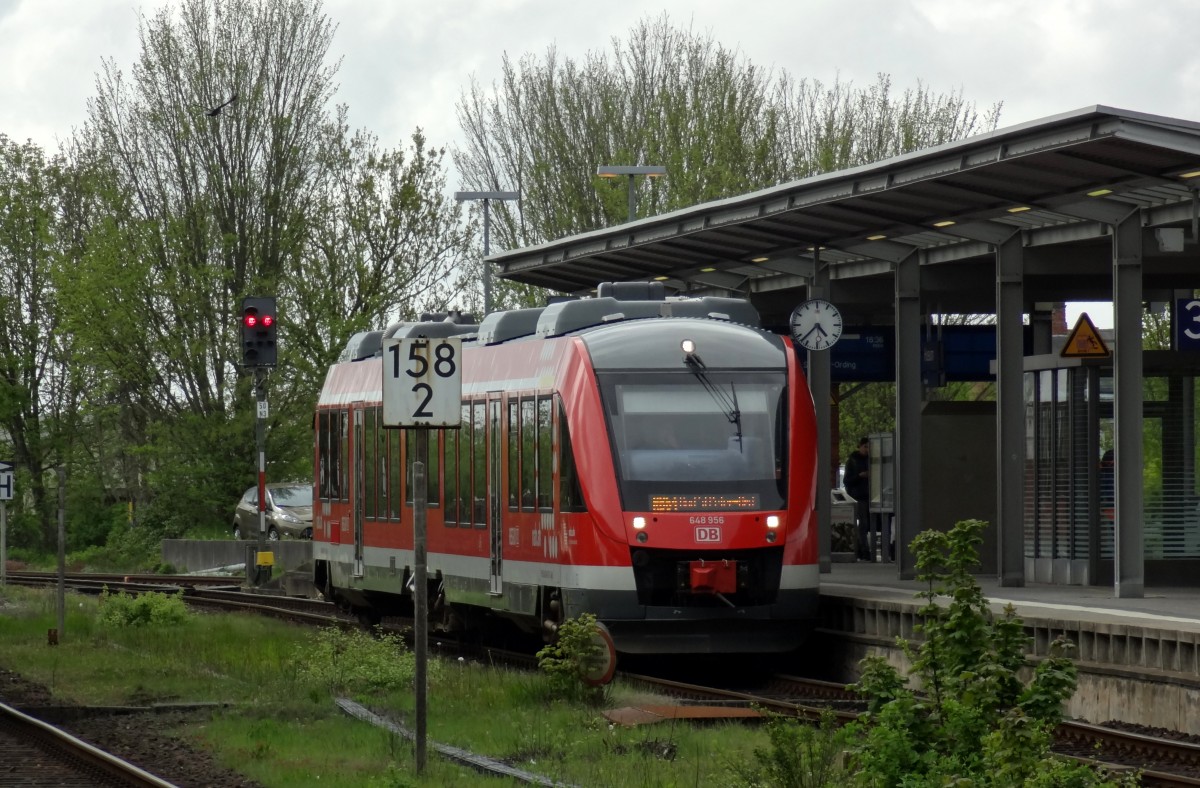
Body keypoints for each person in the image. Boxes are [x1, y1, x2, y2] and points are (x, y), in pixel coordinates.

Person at [844, 437, 872, 561]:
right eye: (865, 446)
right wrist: (859, 476)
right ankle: (864, 550)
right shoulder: (853, 461)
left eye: (869, 447)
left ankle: (862, 548)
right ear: (860, 446)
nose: (867, 449)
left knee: (866, 524)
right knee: (863, 524)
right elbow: (847, 480)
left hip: (869, 496)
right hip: (859, 496)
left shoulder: (870, 460)